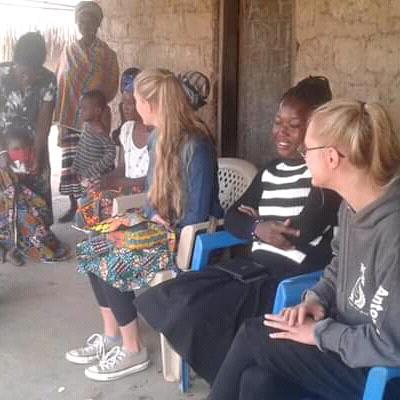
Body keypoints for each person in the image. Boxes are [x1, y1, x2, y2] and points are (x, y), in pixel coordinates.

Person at [135, 76, 342, 384]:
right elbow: (233, 217)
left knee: (208, 309)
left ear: (315, 129)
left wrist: (257, 222)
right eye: (278, 123)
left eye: (294, 125)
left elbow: (299, 232)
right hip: (251, 268)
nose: (281, 132)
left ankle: (227, 376)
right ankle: (225, 371)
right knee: (173, 297)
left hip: (286, 277)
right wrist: (259, 226)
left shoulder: (322, 178)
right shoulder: (269, 172)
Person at [208, 100, 400, 400]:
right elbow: (338, 269)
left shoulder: (393, 231)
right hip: (347, 343)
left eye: (307, 150)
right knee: (257, 381)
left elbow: (390, 345)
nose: (303, 156)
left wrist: (319, 333)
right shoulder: (351, 208)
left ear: (331, 157)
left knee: (253, 335)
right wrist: (315, 300)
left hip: (379, 368)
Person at [65, 69, 223, 382]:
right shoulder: (158, 137)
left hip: (189, 239)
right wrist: (151, 216)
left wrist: (162, 225)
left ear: (150, 104)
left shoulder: (197, 145)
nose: (135, 108)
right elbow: (152, 194)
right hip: (162, 229)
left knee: (113, 257)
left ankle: (133, 349)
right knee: (93, 245)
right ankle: (112, 336)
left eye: (137, 101)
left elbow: (198, 213)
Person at [55, 1, 119, 223]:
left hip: (96, 117)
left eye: (90, 21)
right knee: (72, 164)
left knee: (94, 162)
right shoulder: (68, 51)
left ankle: (94, 205)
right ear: (77, 23)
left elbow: (111, 85)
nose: (85, 25)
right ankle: (74, 206)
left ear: (98, 23)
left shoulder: (108, 55)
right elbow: (61, 82)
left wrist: (95, 108)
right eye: (81, 21)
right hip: (70, 114)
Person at [0, 32, 56, 222]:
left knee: (36, 194)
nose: (27, 78)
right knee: (6, 196)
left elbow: (44, 123)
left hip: (34, 146)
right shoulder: (1, 76)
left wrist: (38, 155)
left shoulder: (48, 80)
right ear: (15, 62)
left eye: (33, 72)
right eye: (23, 72)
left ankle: (39, 234)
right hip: (4, 145)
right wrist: (2, 152)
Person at [0, 127, 69, 265]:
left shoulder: (18, 160)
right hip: (7, 203)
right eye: (16, 149)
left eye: (23, 148)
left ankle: (14, 250)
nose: (21, 152)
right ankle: (6, 253)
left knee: (34, 216)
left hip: (18, 199)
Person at [103, 68, 151, 194]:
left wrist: (122, 183)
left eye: (130, 103)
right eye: (123, 103)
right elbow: (122, 166)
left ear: (144, 103)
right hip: (129, 196)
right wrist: (106, 179)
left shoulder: (158, 135)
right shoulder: (126, 130)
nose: (125, 108)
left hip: (151, 197)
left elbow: (155, 178)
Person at [72, 90, 116, 191]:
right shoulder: (87, 126)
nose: (80, 111)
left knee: (94, 198)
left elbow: (111, 152)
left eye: (84, 109)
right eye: (80, 108)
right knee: (86, 198)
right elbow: (81, 148)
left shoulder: (99, 131)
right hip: (85, 176)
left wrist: (92, 170)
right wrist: (76, 166)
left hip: (96, 179)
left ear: (97, 111)